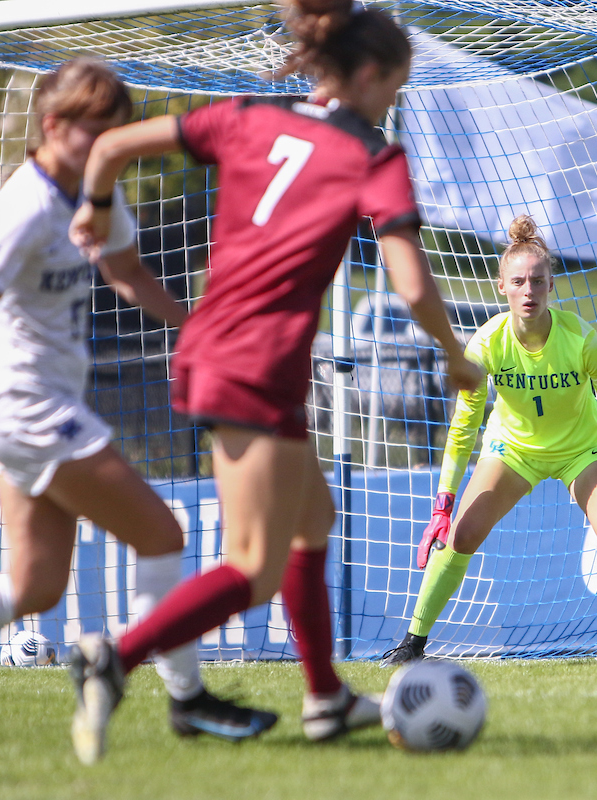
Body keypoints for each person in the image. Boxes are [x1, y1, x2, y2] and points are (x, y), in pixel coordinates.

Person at [66, 0, 483, 765]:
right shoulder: (371, 155)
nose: (395, 101)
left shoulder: (249, 115)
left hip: (222, 349)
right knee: (252, 568)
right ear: (364, 76)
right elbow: (414, 285)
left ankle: (325, 699)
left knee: (310, 521)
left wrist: (94, 208)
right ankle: (113, 661)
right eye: (394, 86)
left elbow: (113, 147)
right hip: (252, 364)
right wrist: (455, 355)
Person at [0, 57, 276, 747]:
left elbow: (126, 270)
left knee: (36, 585)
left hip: (34, 409)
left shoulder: (92, 189)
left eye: (119, 130)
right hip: (27, 411)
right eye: (98, 130)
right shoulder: (24, 205)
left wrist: (199, 329)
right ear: (54, 126)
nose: (111, 142)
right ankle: (188, 698)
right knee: (162, 534)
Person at [381, 215, 597, 668]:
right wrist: (442, 506)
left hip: (583, 449)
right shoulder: (486, 344)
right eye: (519, 281)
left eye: (538, 281)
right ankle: (412, 643)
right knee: (460, 535)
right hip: (514, 450)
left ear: (552, 286)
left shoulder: (582, 340)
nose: (529, 290)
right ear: (501, 287)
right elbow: (463, 428)